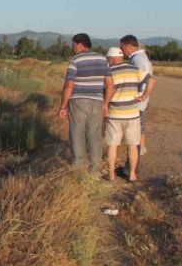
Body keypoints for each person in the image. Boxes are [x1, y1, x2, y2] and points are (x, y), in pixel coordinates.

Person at [59, 33, 109, 173]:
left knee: (77, 132)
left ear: (79, 44)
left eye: (73, 45)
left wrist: (63, 106)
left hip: (79, 101)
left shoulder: (75, 60)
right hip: (97, 101)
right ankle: (95, 170)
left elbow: (69, 85)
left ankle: (80, 167)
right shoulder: (102, 59)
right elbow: (110, 83)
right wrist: (105, 103)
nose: (72, 47)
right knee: (95, 134)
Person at [102, 47, 154, 181]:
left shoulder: (108, 71)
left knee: (112, 145)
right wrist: (144, 96)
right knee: (132, 145)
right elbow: (152, 81)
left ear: (112, 58)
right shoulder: (134, 69)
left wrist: (105, 105)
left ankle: (111, 175)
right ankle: (132, 175)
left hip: (114, 114)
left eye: (108, 59)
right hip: (132, 114)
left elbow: (106, 90)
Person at [119, 35, 154, 175]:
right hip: (139, 102)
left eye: (122, 47)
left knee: (133, 137)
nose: (122, 50)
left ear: (128, 46)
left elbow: (144, 80)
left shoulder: (138, 59)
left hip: (136, 103)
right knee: (135, 135)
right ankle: (130, 167)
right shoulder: (139, 58)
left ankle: (131, 169)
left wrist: (138, 95)